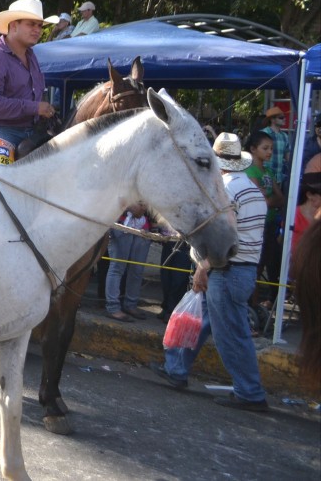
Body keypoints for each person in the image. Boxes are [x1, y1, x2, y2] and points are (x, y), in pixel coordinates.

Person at [150, 132, 270, 412]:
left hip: (225, 269)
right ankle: (176, 368)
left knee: (231, 335)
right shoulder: (252, 189)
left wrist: (203, 269)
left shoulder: (224, 191)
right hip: (242, 269)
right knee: (198, 320)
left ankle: (250, 392)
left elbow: (222, 241)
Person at [0, 0, 56, 164]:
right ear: (13, 25)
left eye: (39, 25)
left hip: (31, 132)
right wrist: (34, 107)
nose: (38, 29)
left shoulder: (32, 58)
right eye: (31, 24)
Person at [244, 130, 285, 305]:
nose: (269, 152)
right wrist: (270, 199)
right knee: (256, 267)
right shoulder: (250, 170)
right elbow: (262, 199)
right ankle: (251, 307)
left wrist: (270, 199)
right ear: (253, 149)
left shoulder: (267, 170)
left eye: (271, 149)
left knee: (264, 265)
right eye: (265, 148)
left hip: (270, 224)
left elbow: (280, 198)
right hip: (257, 225)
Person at [103, 204, 152, 322]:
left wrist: (146, 208)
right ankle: (113, 307)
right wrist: (128, 207)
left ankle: (131, 304)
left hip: (143, 227)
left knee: (137, 269)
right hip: (120, 223)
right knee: (117, 267)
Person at [261, 105, 290, 190]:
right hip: (264, 175)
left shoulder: (285, 136)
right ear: (272, 119)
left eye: (284, 117)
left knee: (276, 201)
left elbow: (287, 156)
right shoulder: (263, 134)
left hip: (279, 177)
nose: (284, 119)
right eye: (281, 117)